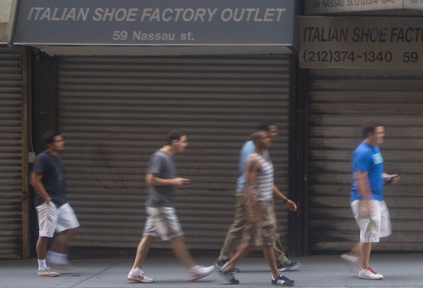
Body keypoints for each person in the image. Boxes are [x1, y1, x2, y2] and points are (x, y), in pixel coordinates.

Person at [126, 131, 215, 283]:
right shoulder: (160, 156)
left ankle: (135, 270)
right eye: (184, 141)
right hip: (161, 205)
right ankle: (193, 270)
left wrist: (175, 181)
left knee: (148, 237)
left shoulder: (167, 157)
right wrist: (174, 181)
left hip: (158, 204)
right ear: (174, 141)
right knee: (176, 237)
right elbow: (150, 179)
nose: (186, 145)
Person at [216, 121, 300, 273]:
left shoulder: (262, 151)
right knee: (252, 231)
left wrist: (284, 200)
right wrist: (252, 208)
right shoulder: (253, 151)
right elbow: (251, 181)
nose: (274, 135)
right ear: (263, 134)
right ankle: (225, 260)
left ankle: (228, 262)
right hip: (253, 196)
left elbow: (266, 180)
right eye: (272, 132)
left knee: (257, 235)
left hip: (261, 197)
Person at [341, 122, 399, 280]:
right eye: (379, 133)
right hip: (365, 199)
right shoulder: (362, 152)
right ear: (370, 134)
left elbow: (375, 172)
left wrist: (387, 177)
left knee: (378, 231)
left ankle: (354, 255)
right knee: (369, 234)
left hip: (376, 198)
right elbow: (360, 178)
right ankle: (364, 268)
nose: (383, 135)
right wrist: (366, 202)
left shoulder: (375, 148)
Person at [30, 131, 80, 277]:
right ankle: (42, 267)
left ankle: (56, 257)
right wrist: (46, 197)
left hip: (60, 201)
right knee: (45, 235)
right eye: (58, 141)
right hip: (47, 202)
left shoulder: (57, 157)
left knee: (72, 227)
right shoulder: (42, 158)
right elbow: (34, 180)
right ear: (49, 144)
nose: (62, 143)